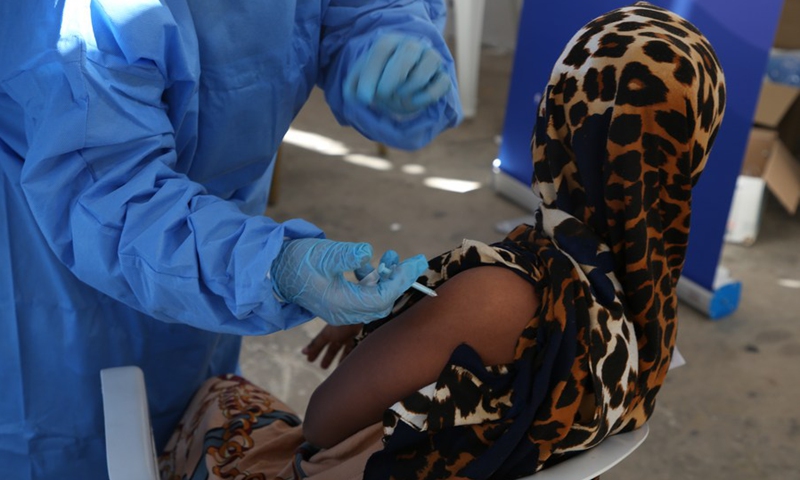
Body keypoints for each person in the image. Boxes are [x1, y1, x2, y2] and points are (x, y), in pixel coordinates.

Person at [158, 2, 727, 479]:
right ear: (690, 153)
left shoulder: (500, 297)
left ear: (552, 123)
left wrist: (388, 336)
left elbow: (325, 421)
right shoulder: (647, 313)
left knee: (212, 395)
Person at [0, 1, 462, 478]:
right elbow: (113, 195)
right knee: (71, 436)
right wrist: (270, 267)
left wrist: (388, 41)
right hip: (65, 256)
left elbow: (360, 10)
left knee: (189, 413)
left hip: (220, 228)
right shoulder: (87, 21)